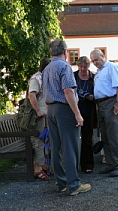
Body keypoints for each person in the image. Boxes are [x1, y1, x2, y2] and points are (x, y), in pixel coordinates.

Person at [42, 39, 90, 195]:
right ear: (65, 52)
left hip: (51, 110)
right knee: (70, 146)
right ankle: (74, 184)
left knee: (56, 147)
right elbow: (68, 91)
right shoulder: (64, 67)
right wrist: (77, 113)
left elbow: (46, 93)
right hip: (64, 109)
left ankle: (61, 183)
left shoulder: (46, 69)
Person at [90, 49, 118, 176]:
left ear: (103, 56)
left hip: (111, 103)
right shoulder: (99, 72)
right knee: (105, 136)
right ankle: (111, 164)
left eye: (96, 59)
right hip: (101, 104)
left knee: (114, 135)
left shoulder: (111, 67)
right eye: (93, 61)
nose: (95, 62)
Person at [74, 56, 97, 174]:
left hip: (89, 111)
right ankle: (73, 165)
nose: (83, 69)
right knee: (73, 139)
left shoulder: (93, 77)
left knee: (87, 139)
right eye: (81, 67)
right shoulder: (73, 76)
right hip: (75, 111)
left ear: (88, 66)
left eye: (85, 66)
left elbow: (98, 91)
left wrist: (92, 96)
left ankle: (87, 164)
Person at [28, 58, 51, 180]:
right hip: (40, 115)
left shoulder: (45, 78)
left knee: (46, 141)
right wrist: (38, 110)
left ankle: (44, 166)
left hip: (46, 114)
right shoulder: (36, 78)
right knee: (39, 141)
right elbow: (31, 94)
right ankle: (38, 169)